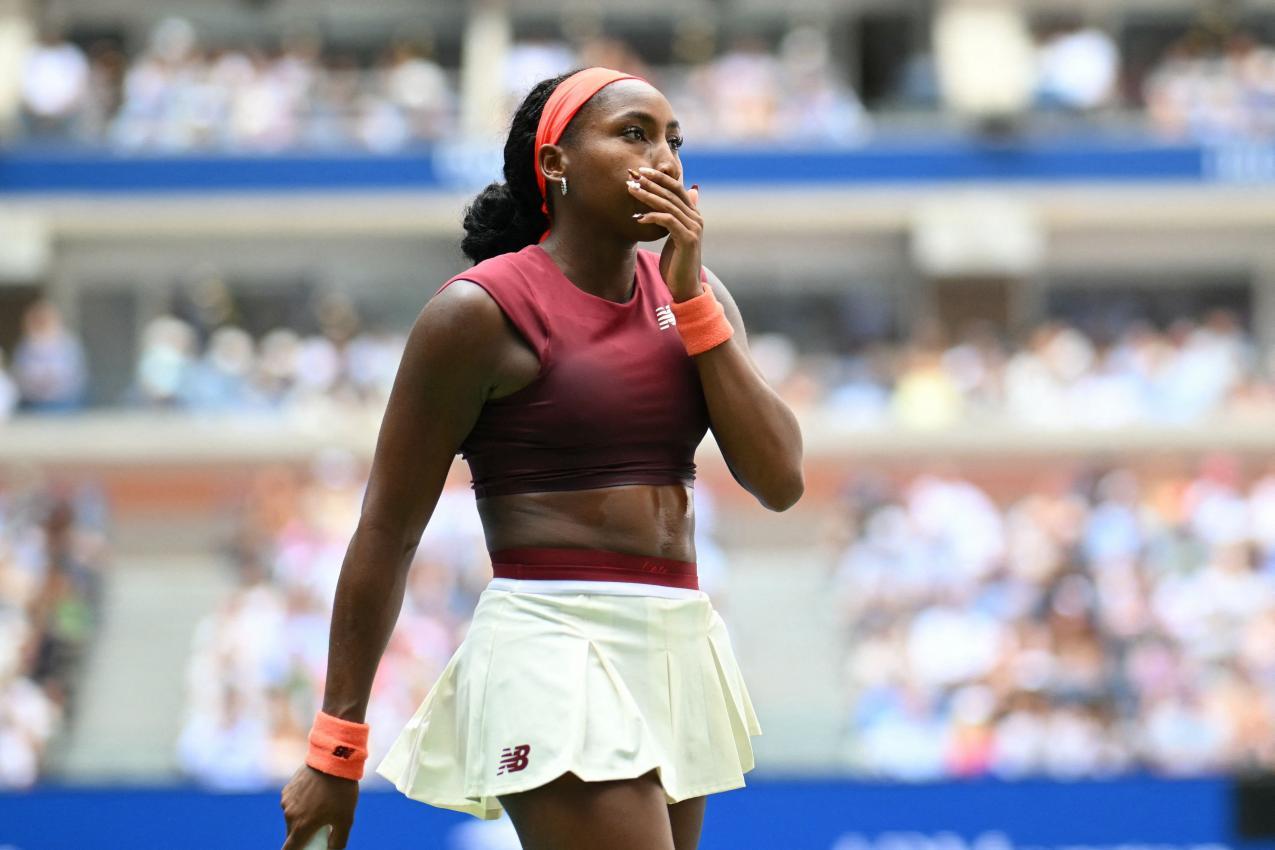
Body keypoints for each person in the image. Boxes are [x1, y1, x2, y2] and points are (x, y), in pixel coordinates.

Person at [279, 66, 804, 850]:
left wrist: (695, 305)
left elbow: (780, 479)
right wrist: (336, 745)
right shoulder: (476, 311)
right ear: (555, 163)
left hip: (677, 637)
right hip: (552, 636)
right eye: (633, 135)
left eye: (673, 140)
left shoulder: (694, 293)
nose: (663, 159)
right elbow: (387, 530)